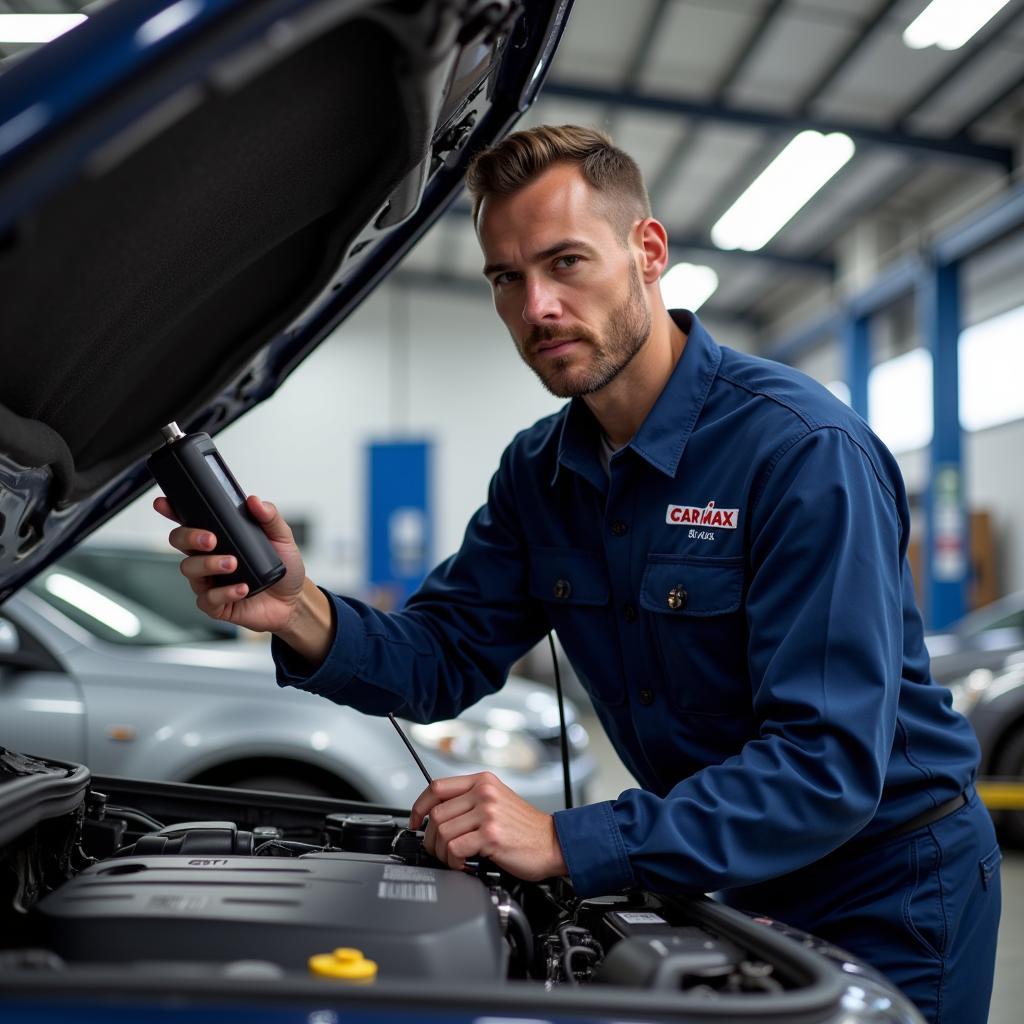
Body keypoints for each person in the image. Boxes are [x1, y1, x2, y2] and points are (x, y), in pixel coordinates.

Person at [157, 125, 999, 1023]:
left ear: (648, 251)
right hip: (714, 876)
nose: (537, 307)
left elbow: (823, 767)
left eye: (565, 262)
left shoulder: (799, 452)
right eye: (506, 278)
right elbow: (444, 653)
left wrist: (566, 838)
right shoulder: (540, 473)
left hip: (885, 892)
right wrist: (299, 608)